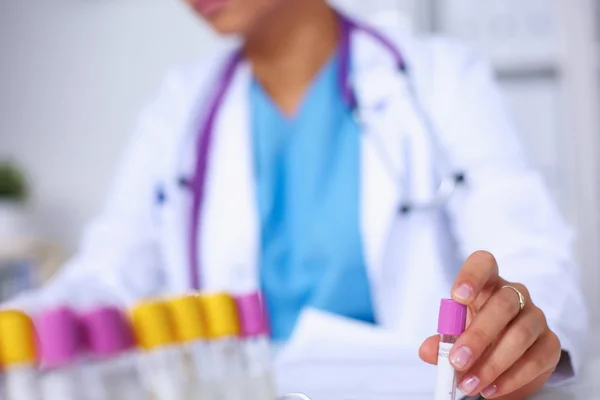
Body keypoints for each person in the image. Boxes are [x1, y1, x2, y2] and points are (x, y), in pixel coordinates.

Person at [7, 0, 587, 398]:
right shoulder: (178, 110)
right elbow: (107, 276)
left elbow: (528, 253)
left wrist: (520, 329)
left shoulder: (439, 78)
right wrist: (21, 326)